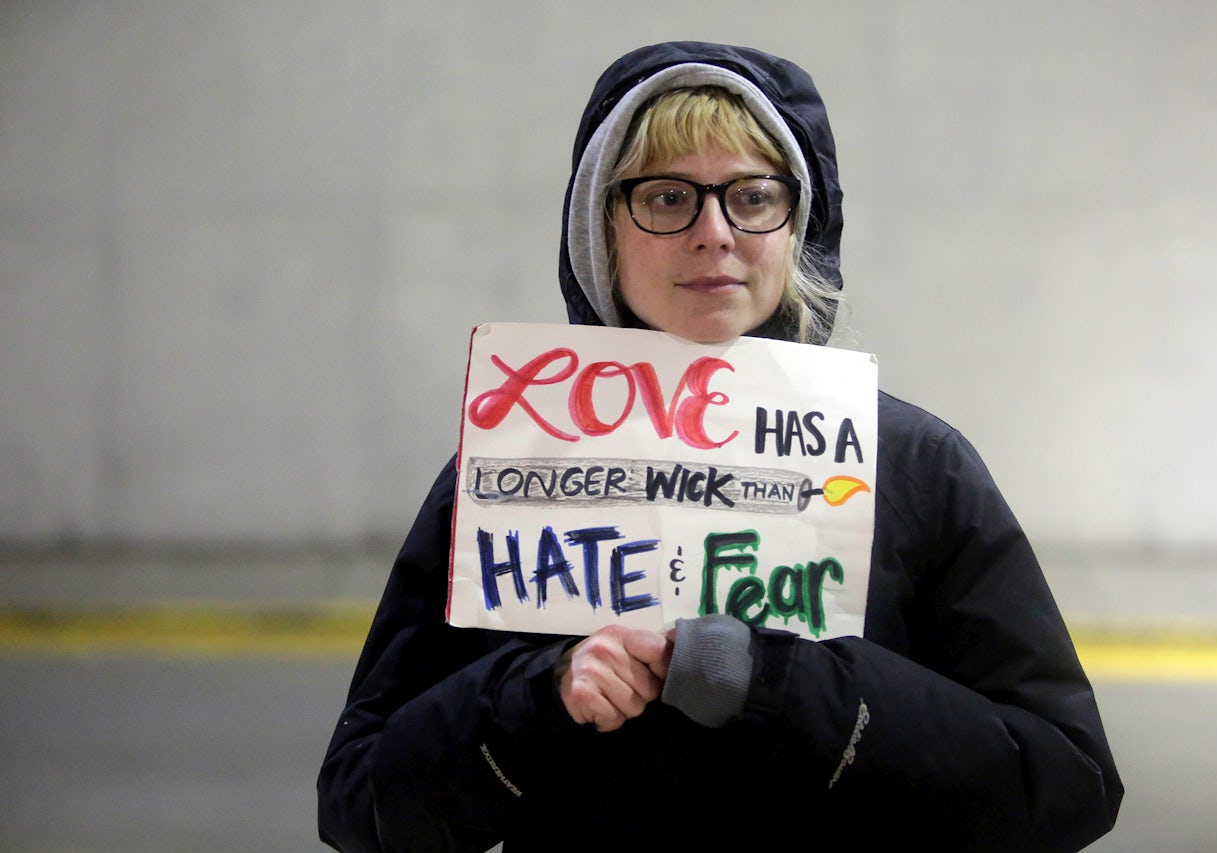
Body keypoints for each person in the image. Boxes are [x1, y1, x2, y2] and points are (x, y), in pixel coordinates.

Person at [317, 41, 1123, 852]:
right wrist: (540, 697)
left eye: (752, 195)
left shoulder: (914, 464)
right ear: (601, 233)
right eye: (666, 198)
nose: (714, 232)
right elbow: (359, 804)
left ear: (796, 224)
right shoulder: (510, 469)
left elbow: (1066, 781)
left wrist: (779, 683)